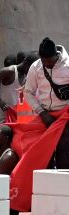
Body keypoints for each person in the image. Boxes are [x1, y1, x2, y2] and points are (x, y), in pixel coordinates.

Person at [24, 37, 69, 169]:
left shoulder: (67, 66)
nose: (46, 65)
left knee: (64, 151)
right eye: (44, 62)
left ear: (56, 55)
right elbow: (28, 92)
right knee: (41, 152)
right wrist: (42, 113)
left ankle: (63, 185)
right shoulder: (36, 66)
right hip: (44, 116)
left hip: (65, 116)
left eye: (49, 62)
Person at [0, 52, 39, 124]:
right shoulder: (9, 71)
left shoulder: (27, 76)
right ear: (25, 62)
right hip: (5, 115)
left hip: (17, 115)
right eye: (30, 69)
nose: (30, 72)